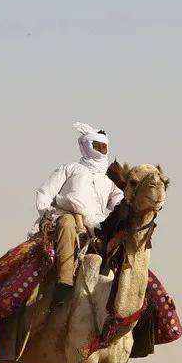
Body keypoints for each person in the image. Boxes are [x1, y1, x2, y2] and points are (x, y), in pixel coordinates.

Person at [34, 122, 124, 306]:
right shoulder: (70, 169)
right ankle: (64, 281)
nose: (100, 150)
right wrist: (45, 214)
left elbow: (120, 204)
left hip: (97, 227)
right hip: (67, 218)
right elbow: (45, 193)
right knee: (66, 223)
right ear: (85, 145)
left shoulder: (108, 182)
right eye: (96, 146)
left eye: (103, 147)